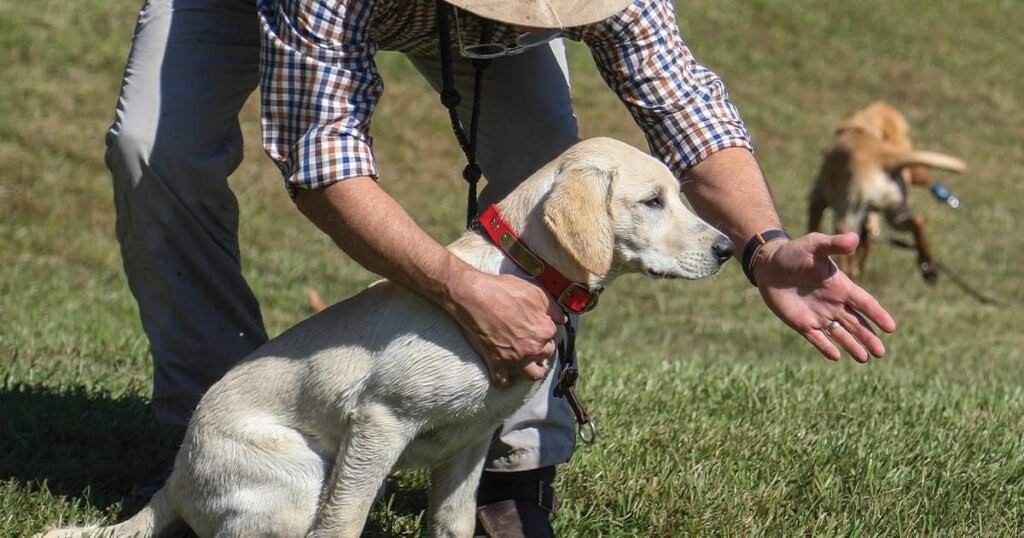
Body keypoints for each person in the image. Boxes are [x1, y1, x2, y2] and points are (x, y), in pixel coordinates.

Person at [105, 0, 895, 535]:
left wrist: (763, 246)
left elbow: (680, 97)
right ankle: (218, 454)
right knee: (155, 152)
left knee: (554, 171)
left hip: (483, 37)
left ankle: (513, 470)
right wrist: (460, 288)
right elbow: (322, 159)